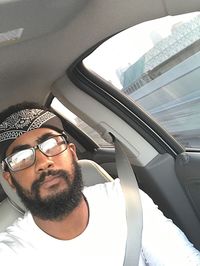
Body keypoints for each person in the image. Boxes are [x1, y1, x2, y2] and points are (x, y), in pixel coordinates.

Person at [0, 102, 199, 266]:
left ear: (71, 153)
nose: (44, 162)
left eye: (51, 145)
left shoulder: (125, 198)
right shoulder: (11, 252)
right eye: (22, 158)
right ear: (10, 180)